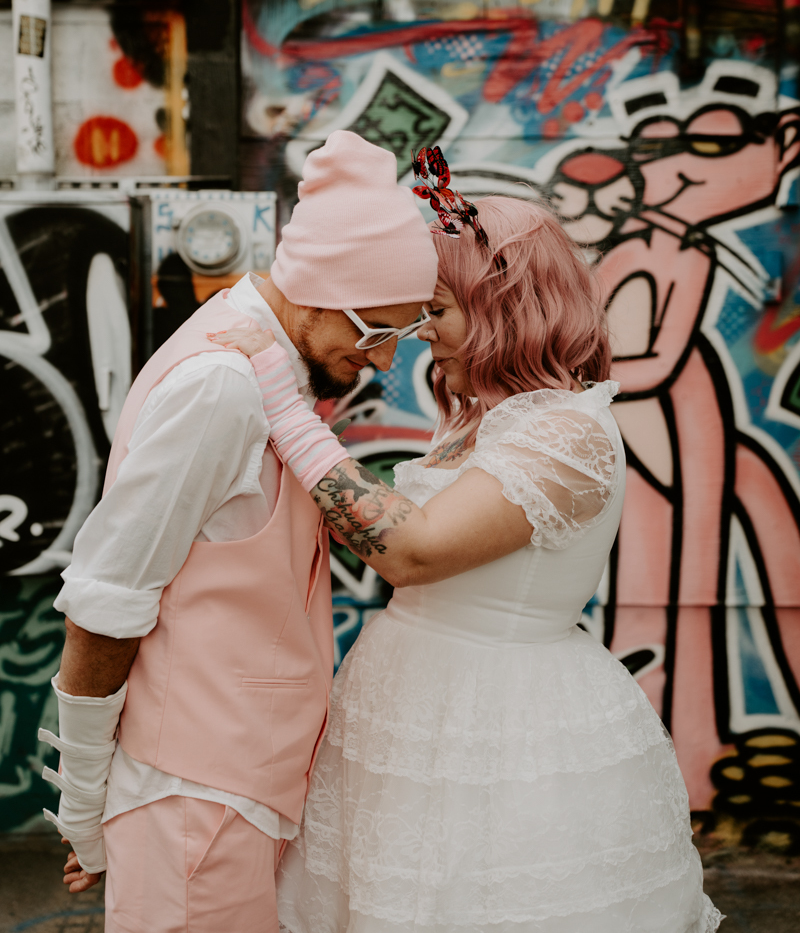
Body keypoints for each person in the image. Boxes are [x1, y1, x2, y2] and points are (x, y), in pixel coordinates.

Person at [215, 164, 722, 933]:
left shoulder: (569, 433)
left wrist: (284, 407)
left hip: (499, 725)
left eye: (438, 310)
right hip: (415, 703)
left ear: (505, 308)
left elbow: (410, 552)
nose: (421, 333)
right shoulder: (488, 420)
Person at [38, 129, 438, 933]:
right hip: (195, 798)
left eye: (400, 335)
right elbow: (106, 600)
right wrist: (84, 802)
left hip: (227, 792)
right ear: (320, 293)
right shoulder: (222, 386)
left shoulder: (262, 366)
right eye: (376, 332)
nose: (384, 361)